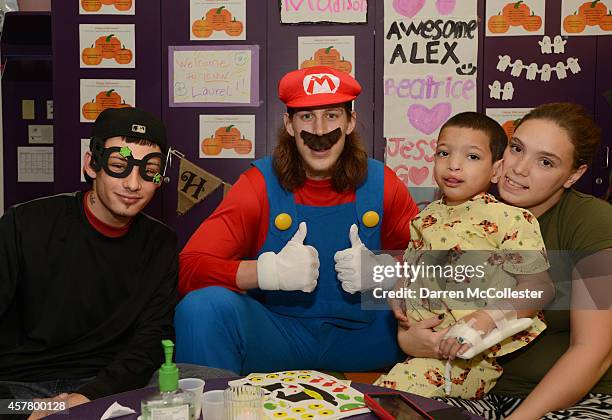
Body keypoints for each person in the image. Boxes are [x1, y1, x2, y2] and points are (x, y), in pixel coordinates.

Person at [175, 66, 419, 374]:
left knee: (458, 295)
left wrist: (386, 272)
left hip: (366, 336)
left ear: (349, 122)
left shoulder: (383, 183)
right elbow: (189, 268)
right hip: (279, 336)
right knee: (202, 309)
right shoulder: (258, 184)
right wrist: (266, 272)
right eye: (306, 116)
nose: (319, 131)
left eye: (331, 115)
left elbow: (455, 276)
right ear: (289, 124)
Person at [0, 107, 228, 420]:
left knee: (221, 385)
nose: (134, 184)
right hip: (21, 388)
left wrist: (88, 397)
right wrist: (47, 407)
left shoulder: (160, 243)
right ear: (92, 164)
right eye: (120, 165)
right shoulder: (24, 224)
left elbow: (151, 341)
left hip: (111, 383)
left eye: (149, 170)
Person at [397, 103, 612, 419]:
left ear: (574, 175)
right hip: (475, 388)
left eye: (545, 162)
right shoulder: (468, 212)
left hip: (571, 400)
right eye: (517, 148)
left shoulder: (593, 222)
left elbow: (594, 352)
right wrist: (409, 338)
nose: (519, 168)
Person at [375, 112, 554, 399]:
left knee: (389, 398)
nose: (454, 165)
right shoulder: (427, 216)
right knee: (380, 397)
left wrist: (484, 319)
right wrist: (399, 292)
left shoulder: (510, 219)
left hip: (470, 360)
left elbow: (539, 288)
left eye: (472, 157)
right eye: (444, 153)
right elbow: (412, 267)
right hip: (421, 348)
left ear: (496, 170)